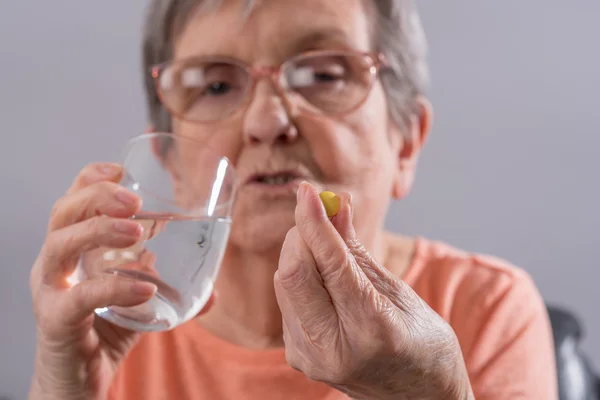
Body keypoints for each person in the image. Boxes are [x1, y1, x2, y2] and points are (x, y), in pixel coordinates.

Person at [27, 0, 559, 399]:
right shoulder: (115, 326)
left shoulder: (485, 307)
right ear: (169, 163)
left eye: (323, 74)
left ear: (407, 143)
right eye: (215, 86)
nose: (266, 122)